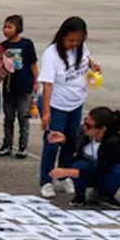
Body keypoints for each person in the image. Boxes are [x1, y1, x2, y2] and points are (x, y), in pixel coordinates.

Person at [39, 16, 100, 198]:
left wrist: (92, 64)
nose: (74, 44)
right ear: (62, 36)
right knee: (53, 143)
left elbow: (85, 58)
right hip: (56, 104)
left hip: (76, 102)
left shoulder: (81, 48)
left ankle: (64, 176)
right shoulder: (51, 54)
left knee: (71, 141)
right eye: (70, 40)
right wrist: (46, 112)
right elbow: (47, 85)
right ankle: (46, 180)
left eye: (78, 40)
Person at [49, 106, 120, 208]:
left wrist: (68, 172)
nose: (85, 127)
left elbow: (102, 168)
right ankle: (80, 195)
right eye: (85, 122)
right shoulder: (83, 132)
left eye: (89, 126)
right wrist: (63, 140)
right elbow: (73, 145)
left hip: (104, 172)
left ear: (102, 129)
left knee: (118, 170)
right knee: (79, 165)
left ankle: (105, 195)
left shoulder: (114, 142)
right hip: (86, 169)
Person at [0, 14, 37, 159]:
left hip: (24, 86)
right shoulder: (3, 46)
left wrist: (36, 81)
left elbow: (32, 63)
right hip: (9, 87)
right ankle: (7, 144)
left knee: (23, 117)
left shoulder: (27, 44)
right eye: (5, 27)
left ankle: (22, 146)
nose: (6, 30)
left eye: (10, 27)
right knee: (8, 117)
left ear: (18, 28)